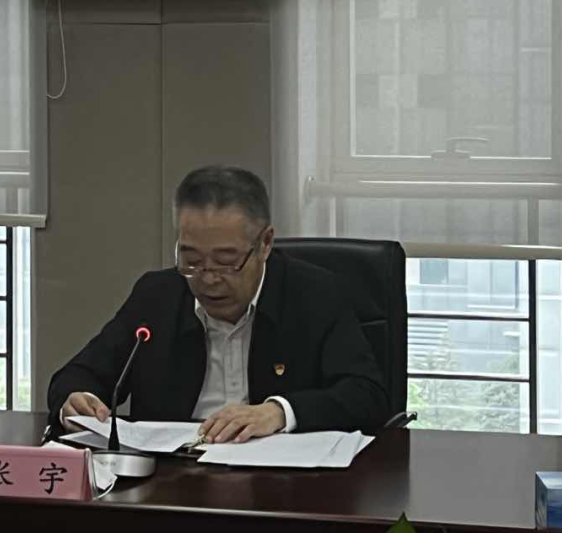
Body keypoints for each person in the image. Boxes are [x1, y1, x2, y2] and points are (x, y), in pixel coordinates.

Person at [47, 166, 389, 444]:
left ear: (265, 243)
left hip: (284, 486)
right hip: (172, 482)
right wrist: (75, 399)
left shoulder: (316, 294)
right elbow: (77, 375)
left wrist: (279, 412)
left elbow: (367, 395)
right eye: (191, 260)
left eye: (226, 261)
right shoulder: (157, 296)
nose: (208, 279)